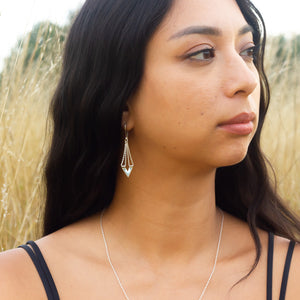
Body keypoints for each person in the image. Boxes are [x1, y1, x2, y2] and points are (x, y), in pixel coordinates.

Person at [0, 0, 299, 299]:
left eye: (247, 51)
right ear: (121, 102)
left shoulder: (291, 275)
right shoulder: (18, 283)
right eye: (203, 53)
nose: (248, 80)